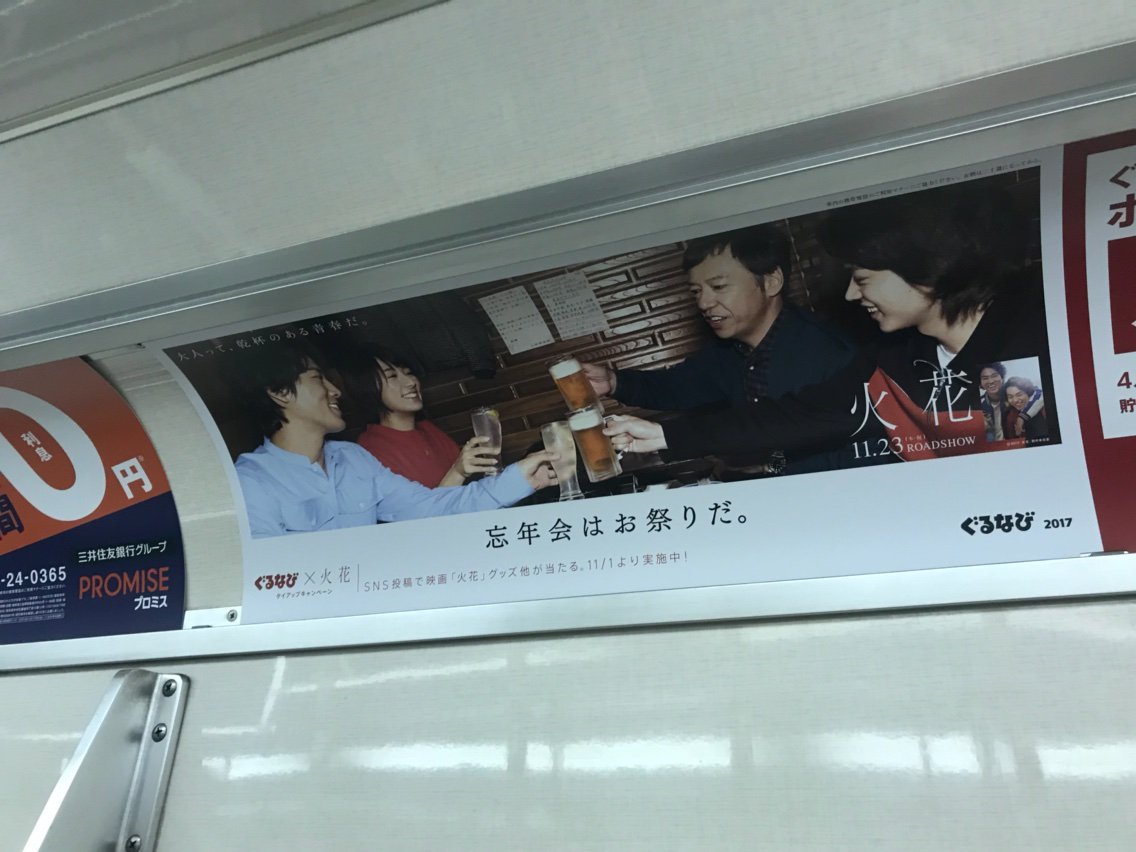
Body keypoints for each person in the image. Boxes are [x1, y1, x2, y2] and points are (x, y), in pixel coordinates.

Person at [603, 181, 1051, 464]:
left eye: (862, 278)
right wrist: (665, 434)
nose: (852, 295)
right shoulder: (895, 360)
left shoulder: (1035, 335)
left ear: (927, 269)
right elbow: (804, 414)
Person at [581, 223, 864, 475]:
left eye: (718, 286)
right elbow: (678, 386)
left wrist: (764, 468)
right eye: (696, 291)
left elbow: (831, 453)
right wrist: (614, 381)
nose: (704, 303)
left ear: (770, 282)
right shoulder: (729, 350)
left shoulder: (827, 353)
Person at [232, 342, 556, 538]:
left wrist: (523, 478)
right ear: (280, 392)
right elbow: (270, 580)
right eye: (318, 379)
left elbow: (427, 507)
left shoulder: (352, 458)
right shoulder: (250, 482)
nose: (335, 391)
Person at [339, 346, 496, 487]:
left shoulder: (427, 428)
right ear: (367, 388)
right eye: (392, 376)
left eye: (408, 373)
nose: (410, 382)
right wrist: (457, 473)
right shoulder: (369, 451)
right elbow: (414, 511)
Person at [979, 362, 1010, 442]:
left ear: (1002, 378)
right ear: (980, 383)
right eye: (985, 378)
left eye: (994, 376)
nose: (991, 381)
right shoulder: (977, 406)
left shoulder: (1013, 398)